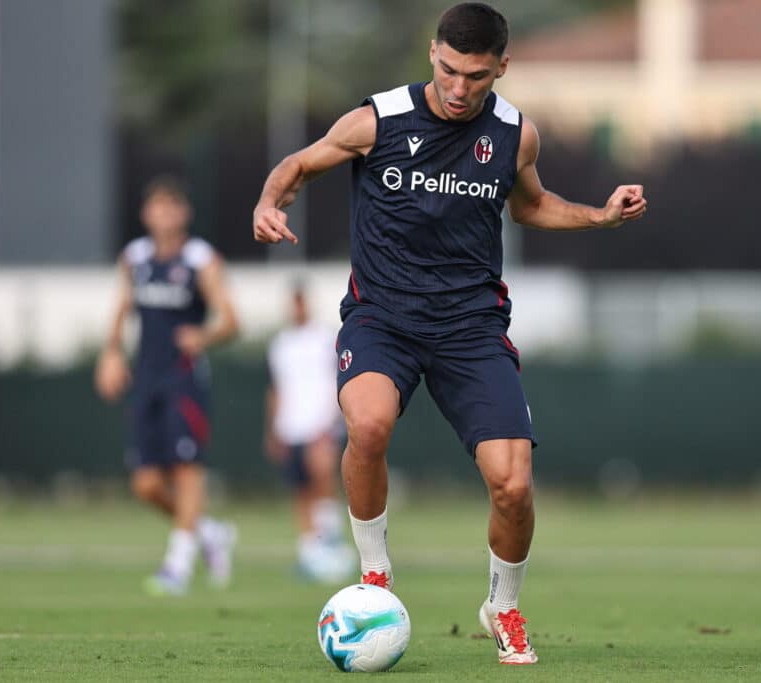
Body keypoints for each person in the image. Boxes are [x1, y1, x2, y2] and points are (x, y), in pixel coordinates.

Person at [252, 2, 646, 665]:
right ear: (432, 53)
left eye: (478, 76)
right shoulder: (376, 120)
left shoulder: (516, 134)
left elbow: (531, 205)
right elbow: (295, 165)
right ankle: (375, 570)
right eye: (451, 70)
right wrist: (267, 202)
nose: (461, 88)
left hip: (471, 326)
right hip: (383, 317)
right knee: (368, 426)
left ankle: (504, 605)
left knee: (513, 484)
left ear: (502, 68)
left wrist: (600, 217)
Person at [95, 175, 240, 596]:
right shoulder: (135, 258)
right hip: (146, 378)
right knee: (145, 484)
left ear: (185, 213)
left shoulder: (200, 260)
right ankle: (209, 532)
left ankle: (176, 566)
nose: (164, 215)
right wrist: (110, 353)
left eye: (171, 207)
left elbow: (231, 320)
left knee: (187, 469)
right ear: (146, 214)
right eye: (157, 207)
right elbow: (121, 309)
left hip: (185, 379)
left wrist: (204, 336)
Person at [264, 283, 356, 582]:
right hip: (291, 425)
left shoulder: (326, 339)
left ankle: (332, 542)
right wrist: (274, 429)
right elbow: (275, 389)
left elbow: (338, 380)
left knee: (323, 479)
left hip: (320, 424)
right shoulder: (280, 344)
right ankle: (309, 551)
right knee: (299, 489)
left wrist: (331, 421)